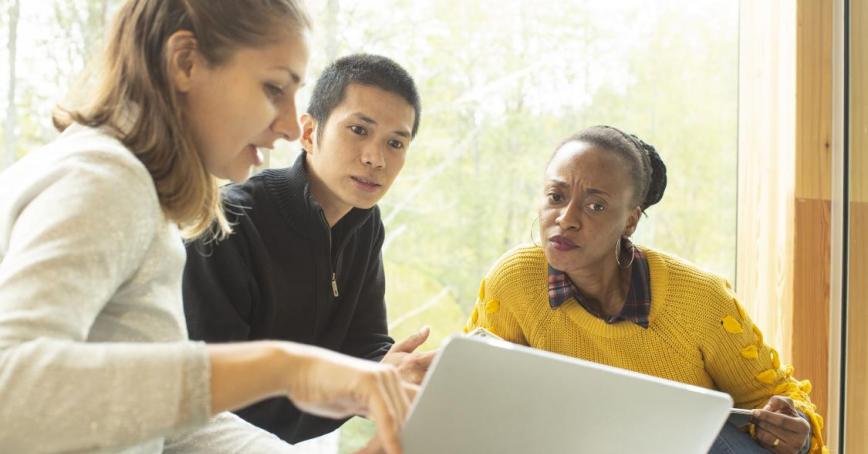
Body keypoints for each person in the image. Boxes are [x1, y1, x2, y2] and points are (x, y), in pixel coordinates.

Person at [0, 1, 410, 453]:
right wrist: (283, 368)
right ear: (186, 63)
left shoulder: (138, 196)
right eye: (274, 88)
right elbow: (9, 389)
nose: (292, 127)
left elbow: (175, 425)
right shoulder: (103, 181)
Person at [465, 125, 827, 454]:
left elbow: (777, 397)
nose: (566, 219)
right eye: (556, 197)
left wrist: (799, 430)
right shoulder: (514, 281)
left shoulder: (699, 300)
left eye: (595, 206)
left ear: (630, 221)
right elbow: (478, 395)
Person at [182, 53, 434, 443]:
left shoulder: (365, 222)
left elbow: (364, 341)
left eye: (395, 142)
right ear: (307, 132)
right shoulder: (227, 221)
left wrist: (397, 367)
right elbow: (216, 395)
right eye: (358, 130)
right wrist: (361, 387)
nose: (375, 158)